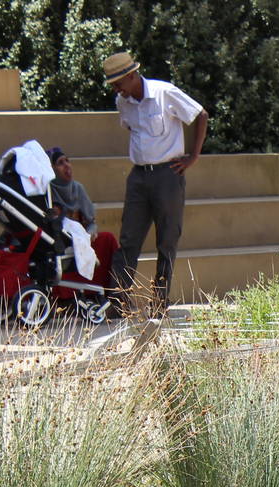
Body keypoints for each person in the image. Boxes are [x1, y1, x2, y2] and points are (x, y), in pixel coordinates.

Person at [102, 50, 207, 307]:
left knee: (167, 239)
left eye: (119, 83)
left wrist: (192, 156)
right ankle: (118, 303)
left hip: (167, 175)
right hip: (139, 176)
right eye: (113, 85)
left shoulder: (164, 93)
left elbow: (200, 115)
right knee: (128, 239)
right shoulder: (123, 103)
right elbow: (132, 130)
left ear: (132, 75)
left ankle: (160, 301)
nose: (116, 89)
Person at [46, 145, 118, 291]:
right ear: (52, 169)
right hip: (61, 242)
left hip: (82, 240)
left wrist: (90, 233)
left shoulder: (78, 188)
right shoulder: (47, 191)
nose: (67, 165)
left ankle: (113, 292)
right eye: (60, 163)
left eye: (67, 161)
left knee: (107, 239)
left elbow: (91, 223)